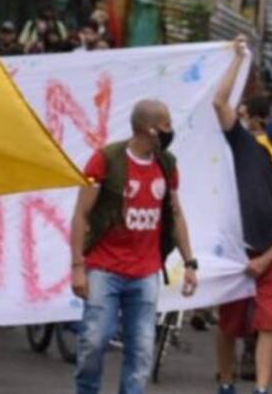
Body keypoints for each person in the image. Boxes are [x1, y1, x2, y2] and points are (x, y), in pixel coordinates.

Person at [70, 99, 198, 394]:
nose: (170, 131)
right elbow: (81, 214)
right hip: (105, 268)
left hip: (145, 272)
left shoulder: (167, 165)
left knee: (140, 353)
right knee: (94, 342)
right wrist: (78, 267)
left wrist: (190, 262)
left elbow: (175, 213)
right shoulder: (106, 160)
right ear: (148, 129)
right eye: (165, 125)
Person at [212, 38, 272, 394]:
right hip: (238, 249)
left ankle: (261, 388)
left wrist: (269, 259)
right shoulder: (247, 146)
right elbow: (219, 103)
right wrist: (236, 59)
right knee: (229, 323)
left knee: (268, 322)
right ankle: (226, 381)